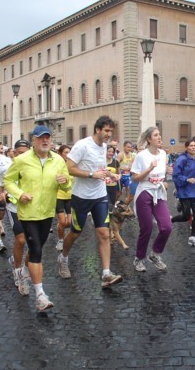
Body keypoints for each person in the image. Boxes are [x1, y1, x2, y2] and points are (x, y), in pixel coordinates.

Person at [4, 126, 71, 311]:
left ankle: (23, 271)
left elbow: (67, 185)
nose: (45, 141)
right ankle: (40, 295)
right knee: (36, 250)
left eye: (48, 138)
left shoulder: (58, 160)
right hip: (28, 212)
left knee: (37, 247)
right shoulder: (21, 160)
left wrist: (66, 183)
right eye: (41, 138)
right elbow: (8, 181)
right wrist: (19, 194)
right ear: (34, 140)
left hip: (48, 212)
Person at [57, 116, 123, 288]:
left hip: (100, 196)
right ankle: (63, 257)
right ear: (97, 130)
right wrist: (92, 175)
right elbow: (69, 169)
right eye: (107, 131)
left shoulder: (103, 147)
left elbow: (98, 169)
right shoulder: (82, 145)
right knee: (75, 232)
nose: (109, 134)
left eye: (111, 131)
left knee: (103, 233)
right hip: (81, 197)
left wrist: (110, 174)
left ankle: (106, 274)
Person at [131, 127, 173, 271]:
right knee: (147, 228)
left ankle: (155, 254)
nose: (159, 137)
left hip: (159, 192)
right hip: (144, 192)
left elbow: (162, 173)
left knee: (167, 227)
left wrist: (166, 177)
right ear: (149, 139)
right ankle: (139, 258)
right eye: (156, 135)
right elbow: (135, 178)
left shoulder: (163, 153)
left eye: (160, 134)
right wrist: (148, 169)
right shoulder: (141, 156)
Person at [0, 139, 32, 296]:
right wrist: (1, 194)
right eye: (19, 153)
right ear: (14, 153)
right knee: (21, 239)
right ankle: (18, 272)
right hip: (14, 208)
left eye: (26, 153)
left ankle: (22, 266)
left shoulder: (34, 166)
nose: (22, 156)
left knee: (34, 244)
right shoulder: (7, 167)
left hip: (33, 209)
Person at [171, 139, 195, 247]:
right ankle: (170, 220)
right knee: (185, 217)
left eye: (194, 146)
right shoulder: (182, 159)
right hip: (185, 192)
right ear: (186, 147)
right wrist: (187, 179)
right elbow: (176, 175)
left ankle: (192, 237)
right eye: (191, 146)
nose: (193, 147)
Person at [55, 145, 73, 251]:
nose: (68, 154)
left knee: (69, 223)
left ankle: (60, 228)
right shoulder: (57, 165)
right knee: (62, 222)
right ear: (61, 153)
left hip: (70, 196)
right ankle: (61, 240)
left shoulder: (72, 165)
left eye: (69, 152)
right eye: (66, 152)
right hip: (59, 196)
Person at [116, 141, 135, 205]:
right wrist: (123, 168)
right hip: (120, 176)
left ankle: (125, 206)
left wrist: (131, 167)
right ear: (124, 147)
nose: (129, 148)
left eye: (130, 147)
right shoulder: (120, 155)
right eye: (127, 147)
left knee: (128, 190)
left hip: (127, 176)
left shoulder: (132, 155)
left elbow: (132, 165)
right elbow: (116, 165)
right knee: (119, 193)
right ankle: (113, 204)